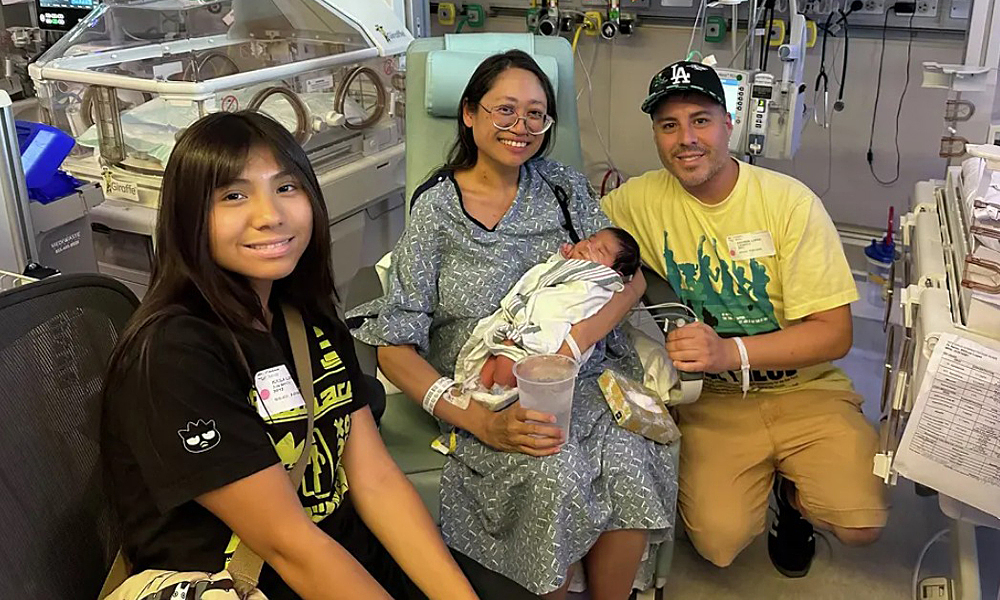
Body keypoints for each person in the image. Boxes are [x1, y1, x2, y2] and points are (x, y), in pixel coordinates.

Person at [101, 111, 479, 600]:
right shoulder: (174, 354)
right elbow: (289, 546)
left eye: (285, 187)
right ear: (189, 216)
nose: (270, 215)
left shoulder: (306, 319)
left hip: (346, 562)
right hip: (245, 584)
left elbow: (376, 480)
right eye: (233, 195)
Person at [346, 50, 676, 600]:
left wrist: (575, 343)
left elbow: (631, 278)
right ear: (469, 113)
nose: (520, 126)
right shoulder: (437, 209)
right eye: (504, 110)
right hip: (487, 390)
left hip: (582, 378)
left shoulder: (564, 189)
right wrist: (478, 421)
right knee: (552, 471)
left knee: (628, 457)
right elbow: (394, 344)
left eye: (535, 114)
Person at [601, 60, 888, 577]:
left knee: (861, 525)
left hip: (804, 387)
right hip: (715, 399)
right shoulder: (637, 202)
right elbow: (575, 228)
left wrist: (728, 351)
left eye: (701, 120)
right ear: (656, 135)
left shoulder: (788, 204)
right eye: (669, 125)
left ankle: (793, 501)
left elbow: (835, 334)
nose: (686, 139)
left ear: (729, 124)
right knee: (719, 544)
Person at [464, 227, 641, 395]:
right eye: (589, 239)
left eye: (600, 251)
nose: (588, 246)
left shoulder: (600, 285)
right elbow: (550, 275)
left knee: (507, 360)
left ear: (615, 273)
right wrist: (561, 259)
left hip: (549, 334)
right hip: (524, 321)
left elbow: (572, 307)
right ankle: (477, 393)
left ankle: (499, 394)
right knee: (493, 358)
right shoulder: (575, 268)